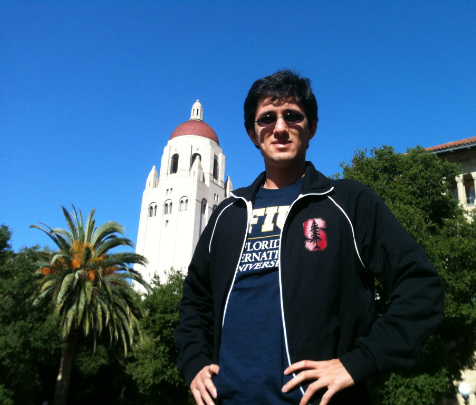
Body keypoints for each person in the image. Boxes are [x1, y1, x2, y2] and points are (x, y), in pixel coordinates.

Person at [174, 69, 444, 405]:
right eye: (267, 118)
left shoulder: (348, 202)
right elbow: (195, 302)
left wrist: (360, 361)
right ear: (252, 133)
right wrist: (193, 362)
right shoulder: (227, 214)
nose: (280, 127)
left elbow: (421, 286)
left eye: (292, 116)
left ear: (311, 126)